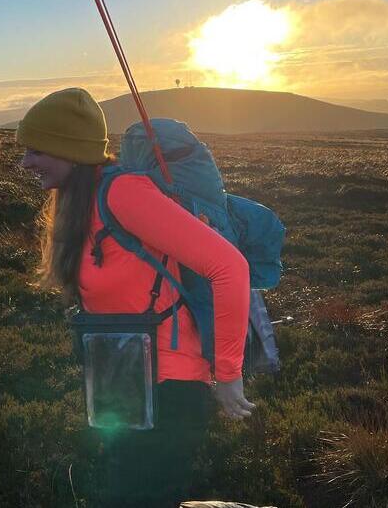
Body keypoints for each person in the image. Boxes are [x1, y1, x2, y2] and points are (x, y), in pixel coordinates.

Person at [16, 88, 256, 508]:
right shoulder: (76, 203)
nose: (26, 163)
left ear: (69, 149)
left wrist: (228, 373)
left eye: (36, 150)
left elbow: (229, 267)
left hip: (171, 388)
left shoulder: (123, 193)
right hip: (122, 381)